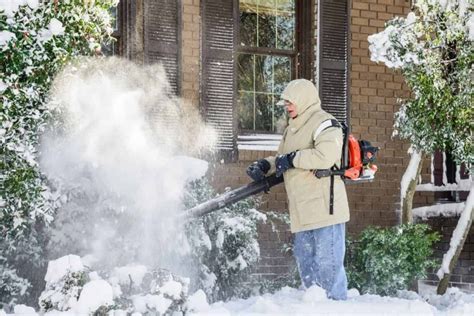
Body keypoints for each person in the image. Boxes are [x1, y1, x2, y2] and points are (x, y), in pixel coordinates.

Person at [246, 79, 350, 300]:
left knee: (328, 266)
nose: (287, 106)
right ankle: (314, 305)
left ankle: (336, 307)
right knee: (306, 262)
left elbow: (326, 156)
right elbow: (283, 158)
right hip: (302, 211)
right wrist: (266, 165)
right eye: (285, 103)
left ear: (303, 99)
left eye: (290, 102)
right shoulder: (292, 128)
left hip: (325, 210)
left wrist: (293, 159)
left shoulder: (325, 122)